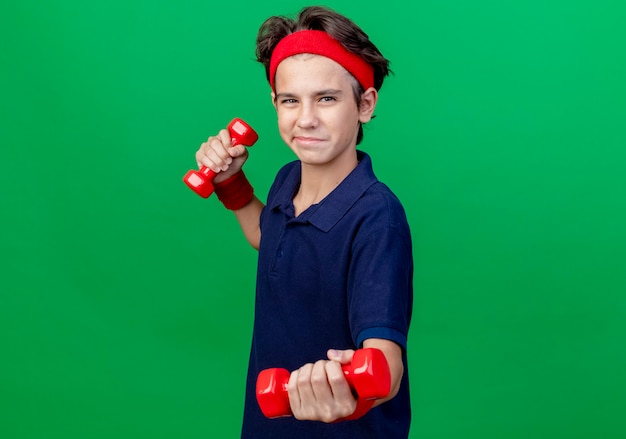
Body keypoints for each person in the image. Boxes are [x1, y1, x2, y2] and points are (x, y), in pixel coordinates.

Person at [194, 6, 413, 438]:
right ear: (275, 104)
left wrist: (345, 395)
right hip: (266, 424)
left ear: (365, 105)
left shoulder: (377, 217)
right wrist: (231, 182)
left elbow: (385, 364)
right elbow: (268, 236)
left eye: (326, 98)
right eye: (291, 100)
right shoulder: (287, 179)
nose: (305, 118)